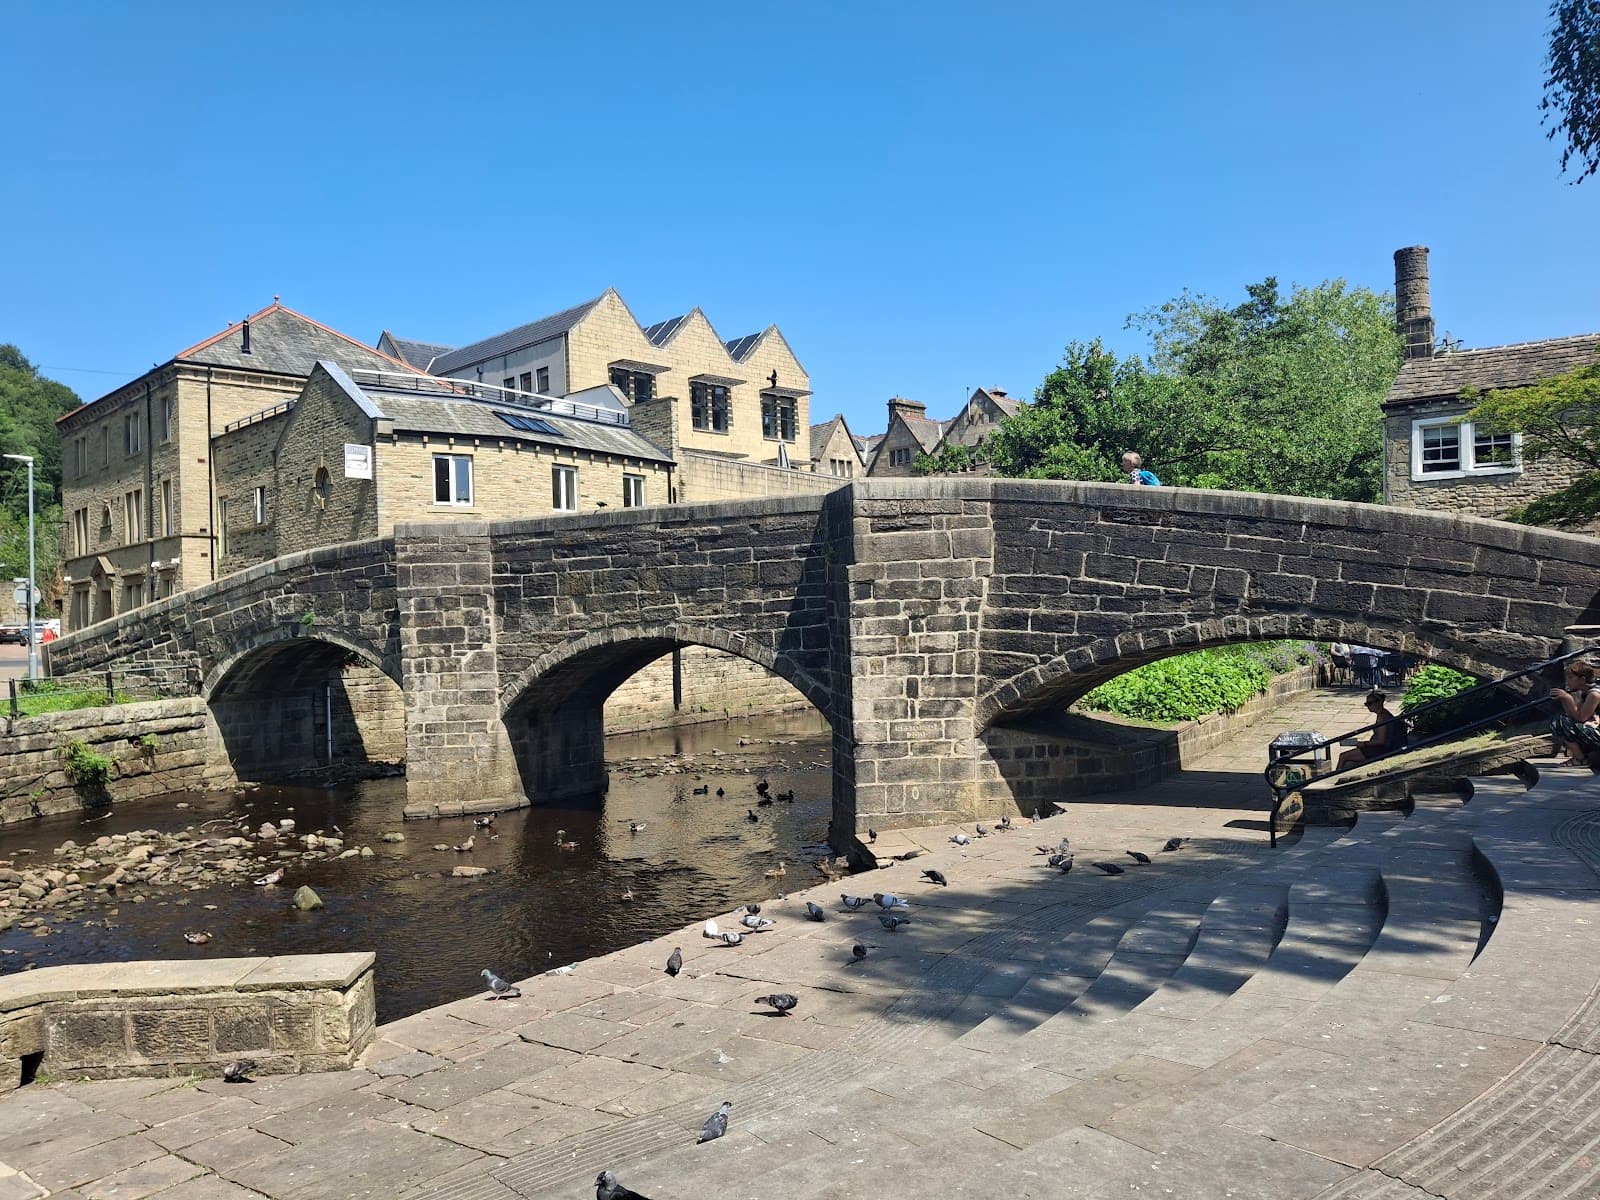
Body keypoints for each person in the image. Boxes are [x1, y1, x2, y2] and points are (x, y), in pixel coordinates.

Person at [1336, 690, 1408, 771]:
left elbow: (1381, 741)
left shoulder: (1382, 718)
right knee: (1348, 760)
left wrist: (1364, 744)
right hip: (1381, 748)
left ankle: (1333, 777)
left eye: (1369, 704)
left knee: (1343, 756)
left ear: (1378, 703)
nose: (1367, 706)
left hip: (1381, 750)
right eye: (1366, 704)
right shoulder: (1383, 714)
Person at [1549, 659, 1600, 767]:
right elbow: (1573, 715)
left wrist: (1568, 698)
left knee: (1560, 721)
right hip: (1593, 729)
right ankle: (1579, 757)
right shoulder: (1586, 692)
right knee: (1559, 720)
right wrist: (1563, 699)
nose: (1567, 681)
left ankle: (1580, 758)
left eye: (1571, 678)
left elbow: (1580, 718)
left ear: (1582, 679)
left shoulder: (1594, 694)